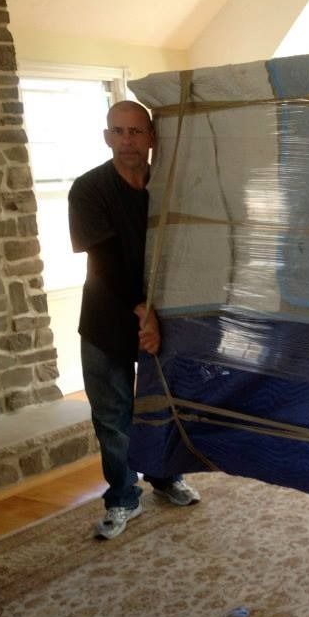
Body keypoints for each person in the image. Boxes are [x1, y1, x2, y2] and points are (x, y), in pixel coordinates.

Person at [69, 100, 200, 540]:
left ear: (150, 138)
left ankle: (164, 476)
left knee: (161, 408)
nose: (128, 140)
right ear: (107, 137)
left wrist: (164, 314)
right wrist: (143, 312)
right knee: (114, 414)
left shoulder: (167, 190)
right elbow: (105, 262)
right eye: (119, 131)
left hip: (164, 319)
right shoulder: (89, 190)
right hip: (107, 320)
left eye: (136, 131)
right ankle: (124, 496)